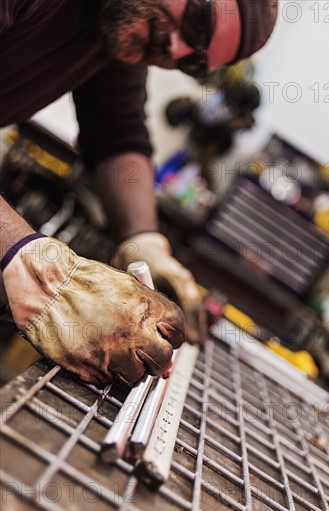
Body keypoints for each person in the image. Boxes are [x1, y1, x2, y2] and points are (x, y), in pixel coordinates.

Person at [0, 0, 277, 386]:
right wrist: (32, 263)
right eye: (197, 21)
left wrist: (143, 240)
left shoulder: (119, 27)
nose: (176, 50)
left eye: (193, 62)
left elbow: (117, 131)